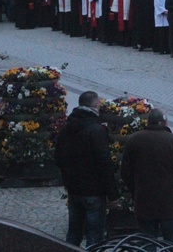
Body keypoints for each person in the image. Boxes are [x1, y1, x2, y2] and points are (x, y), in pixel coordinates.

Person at [120, 108, 173, 251]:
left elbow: (125, 172)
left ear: (148, 122)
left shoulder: (134, 140)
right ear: (165, 122)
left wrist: (136, 191)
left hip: (144, 202)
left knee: (147, 244)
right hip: (171, 204)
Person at [54, 91, 119, 247]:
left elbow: (58, 157)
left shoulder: (66, 128)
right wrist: (113, 194)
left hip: (74, 189)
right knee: (95, 237)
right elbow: (104, 164)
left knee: (73, 233)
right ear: (96, 105)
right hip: (94, 191)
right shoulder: (96, 130)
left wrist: (68, 180)